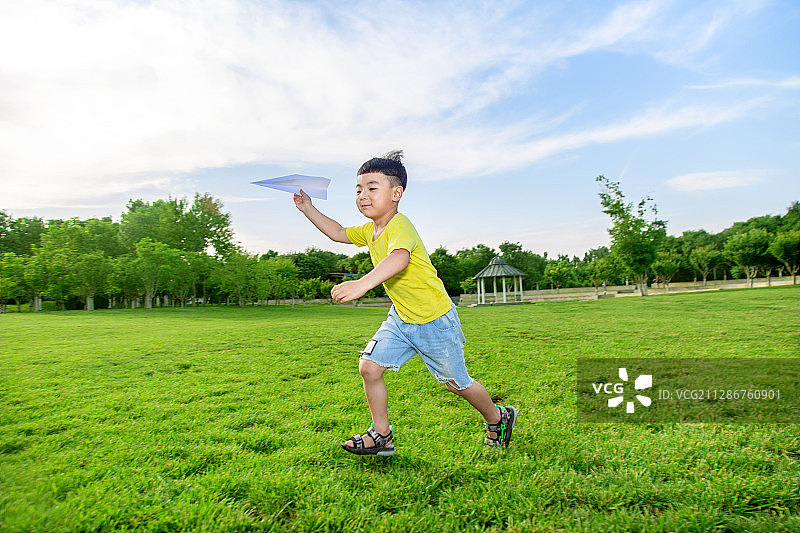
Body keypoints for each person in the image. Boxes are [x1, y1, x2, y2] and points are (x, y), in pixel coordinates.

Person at [293, 150, 516, 456]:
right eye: (358, 190)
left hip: (434, 320)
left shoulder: (400, 226)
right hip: (401, 319)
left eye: (372, 188)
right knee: (369, 367)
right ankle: (381, 435)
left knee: (456, 384)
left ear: (396, 193)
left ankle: (498, 417)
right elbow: (338, 232)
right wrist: (308, 208)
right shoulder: (370, 230)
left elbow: (399, 258)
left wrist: (361, 284)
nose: (363, 196)